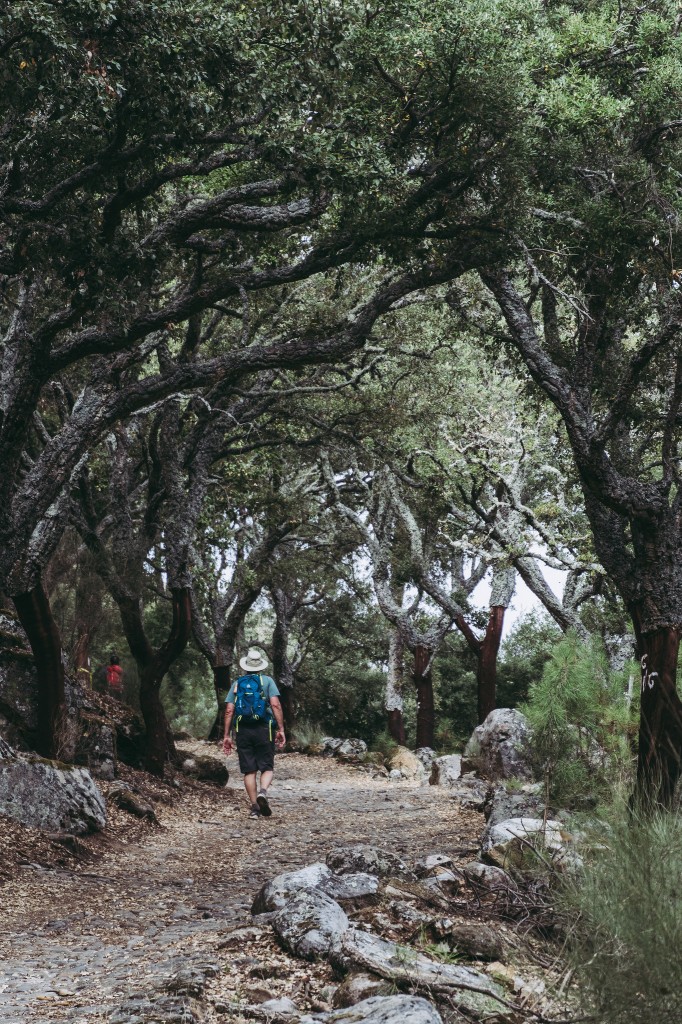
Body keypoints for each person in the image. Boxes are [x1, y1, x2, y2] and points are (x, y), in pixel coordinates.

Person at [222, 648, 286, 818]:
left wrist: (226, 736)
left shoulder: (237, 683)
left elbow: (229, 710)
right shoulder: (267, 681)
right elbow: (276, 705)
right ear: (260, 666)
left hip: (242, 730)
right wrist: (281, 729)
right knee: (267, 766)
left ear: (246, 666)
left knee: (249, 771)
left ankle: (254, 808)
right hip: (265, 729)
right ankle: (263, 792)